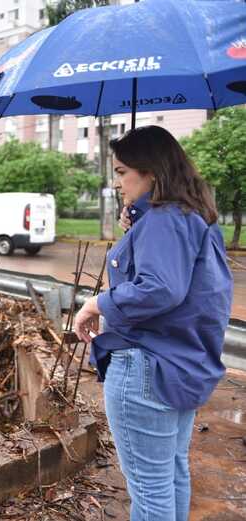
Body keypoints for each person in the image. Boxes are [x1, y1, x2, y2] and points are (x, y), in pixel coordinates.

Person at [72, 125, 233, 521]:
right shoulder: (192, 216)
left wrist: (97, 302)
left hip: (147, 369)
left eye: (123, 171)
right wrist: (139, 226)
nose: (116, 182)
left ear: (152, 172)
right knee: (170, 475)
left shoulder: (164, 220)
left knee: (149, 490)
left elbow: (160, 289)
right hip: (179, 363)